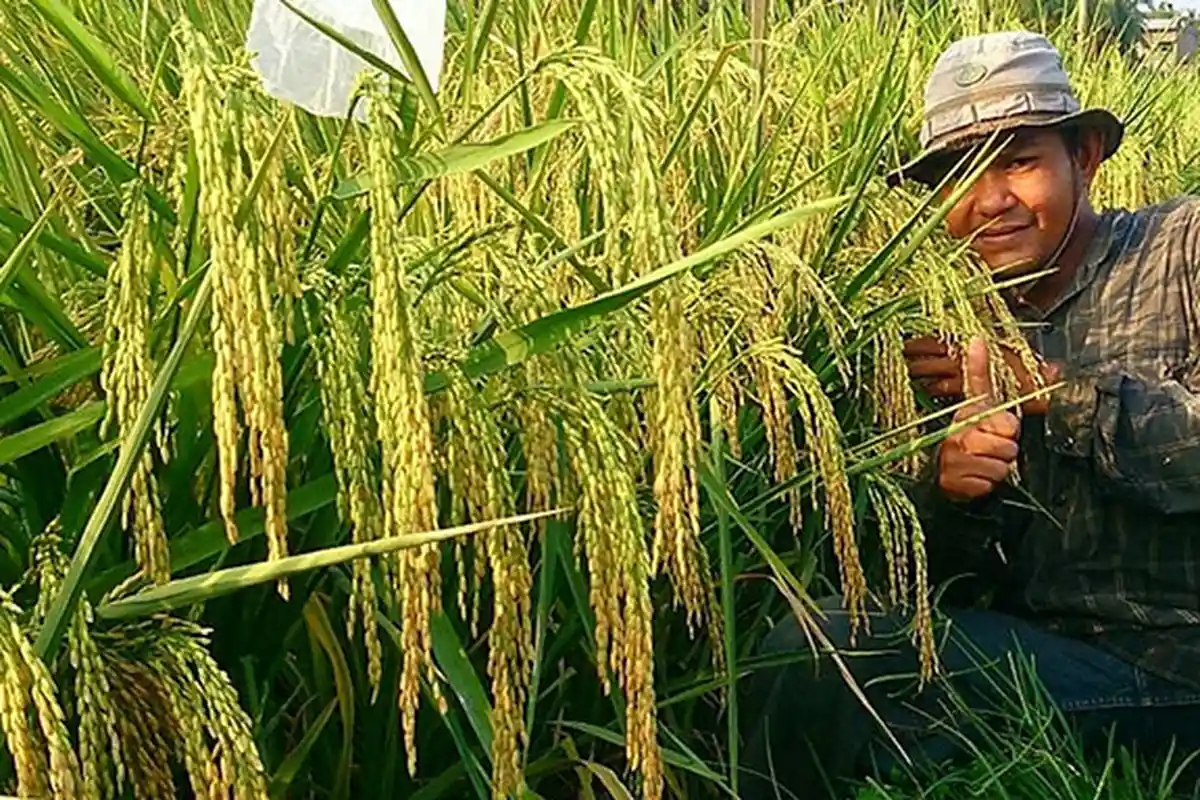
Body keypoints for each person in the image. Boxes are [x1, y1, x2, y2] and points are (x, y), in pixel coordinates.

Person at [739, 30, 1200, 800]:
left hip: (1178, 662)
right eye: (957, 174)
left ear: (1083, 155)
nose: (988, 200)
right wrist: (950, 490)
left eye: (1018, 160)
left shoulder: (1180, 247)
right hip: (1046, 656)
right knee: (812, 648)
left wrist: (1051, 389)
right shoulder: (946, 330)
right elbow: (942, 587)